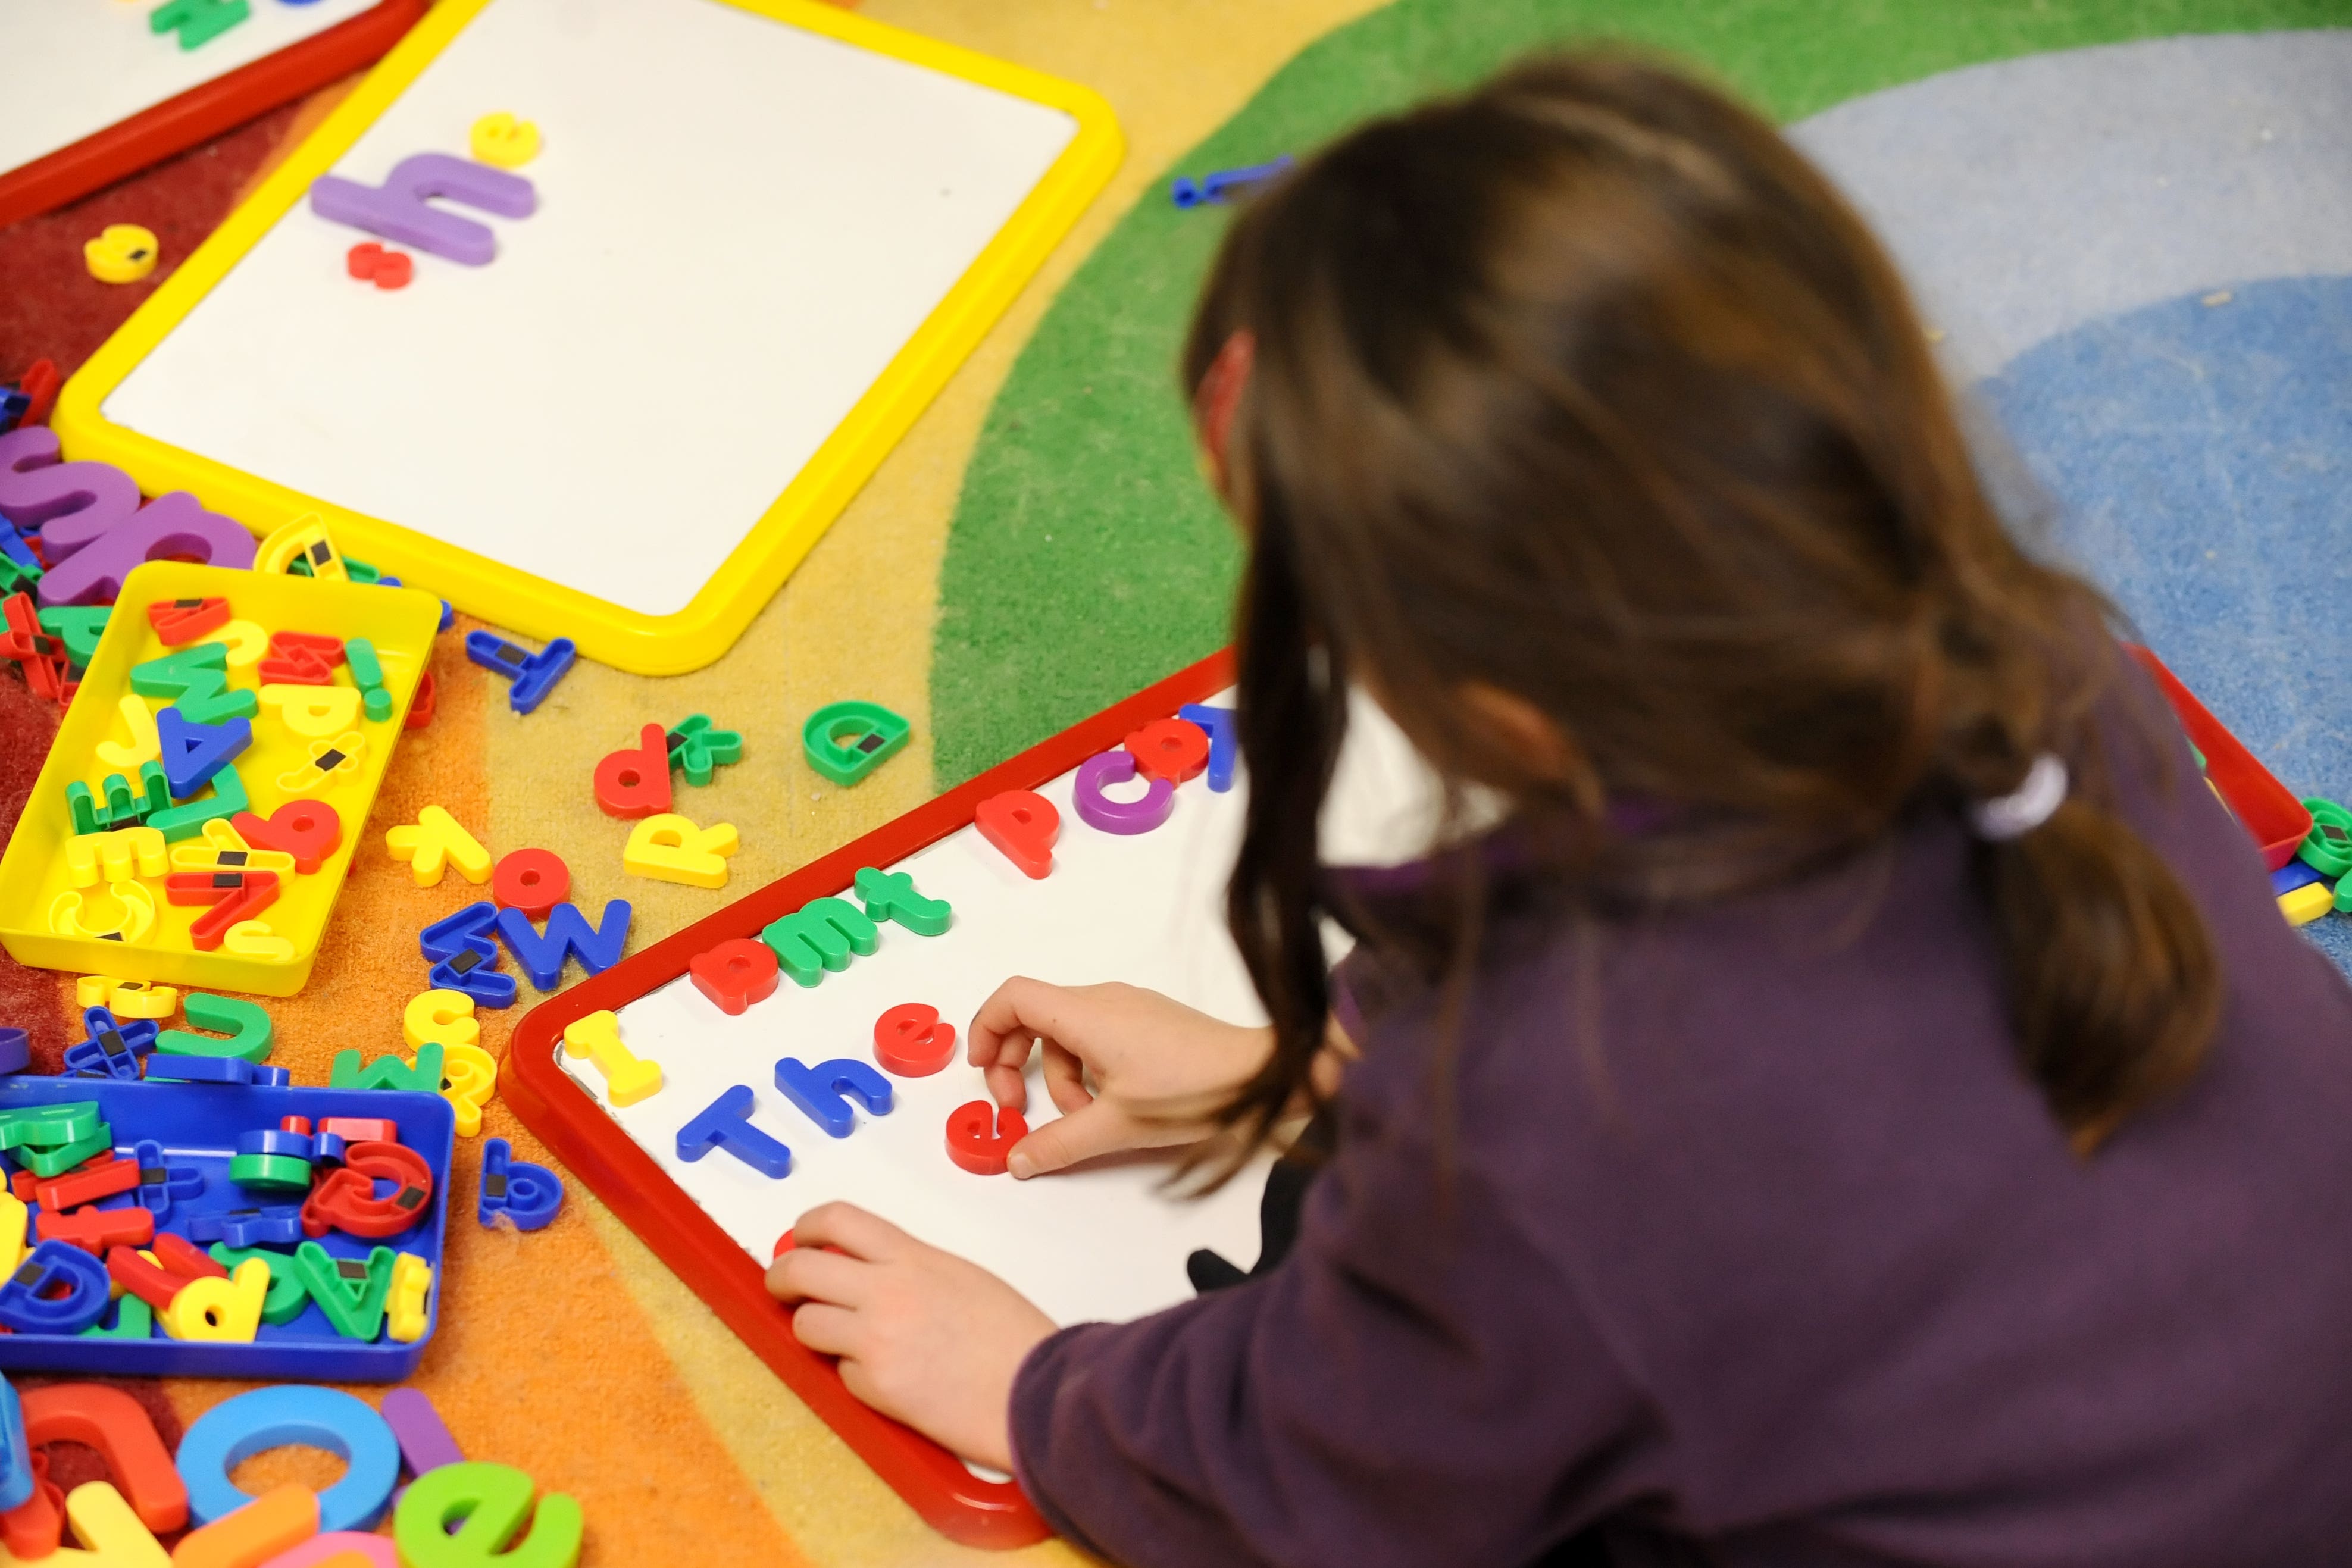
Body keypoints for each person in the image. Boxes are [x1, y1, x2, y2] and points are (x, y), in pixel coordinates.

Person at [766, 52, 2352, 1566]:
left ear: (1500, 690)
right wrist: (1308, 1068)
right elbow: (1857, 1147)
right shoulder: (2032, 659)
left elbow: (1342, 1477)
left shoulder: (1549, 1119)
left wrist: (1039, 1394)